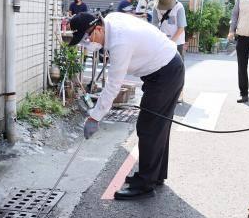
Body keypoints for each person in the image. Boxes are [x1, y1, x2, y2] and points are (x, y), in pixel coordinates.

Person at [69, 12, 184, 200]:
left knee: (148, 128)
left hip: (166, 73)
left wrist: (94, 117)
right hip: (165, 68)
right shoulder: (111, 20)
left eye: (86, 39)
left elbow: (113, 85)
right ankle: (155, 176)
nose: (87, 44)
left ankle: (145, 185)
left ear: (98, 28)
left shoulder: (120, 43)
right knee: (158, 127)